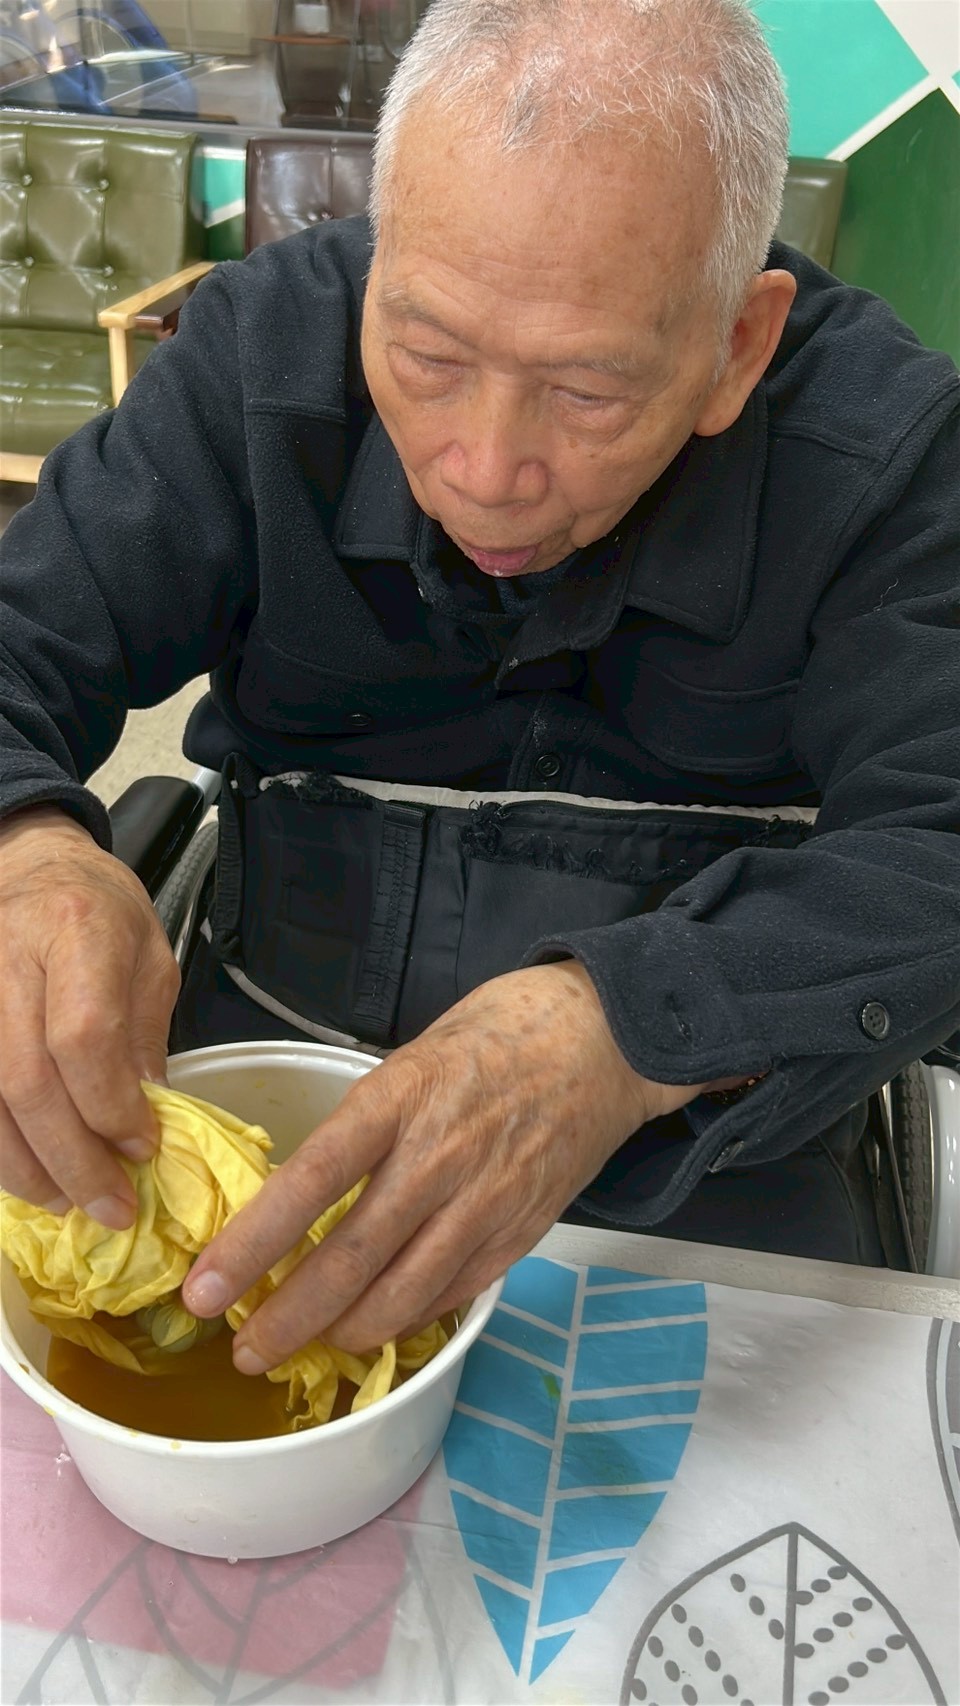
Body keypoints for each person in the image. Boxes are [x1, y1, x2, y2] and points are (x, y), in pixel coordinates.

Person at [0, 0, 957, 1378]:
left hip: (702, 1142)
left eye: (587, 394)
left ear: (738, 348)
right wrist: (29, 845)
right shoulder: (263, 356)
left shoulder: (890, 460)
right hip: (282, 1067)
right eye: (430, 358)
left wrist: (620, 1028)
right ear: (379, 262)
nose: (485, 470)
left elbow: (941, 838)